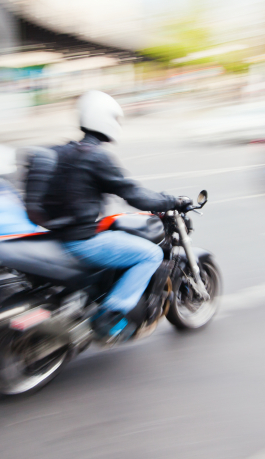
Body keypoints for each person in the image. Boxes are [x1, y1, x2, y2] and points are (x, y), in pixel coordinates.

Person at [25, 91, 191, 343]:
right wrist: (172, 201)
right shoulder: (95, 155)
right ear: (105, 118)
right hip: (80, 241)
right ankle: (109, 315)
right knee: (151, 254)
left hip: (53, 234)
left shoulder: (63, 151)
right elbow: (134, 195)